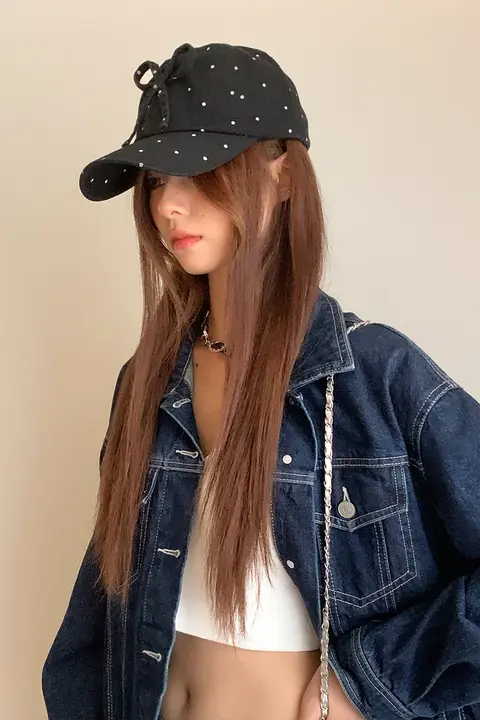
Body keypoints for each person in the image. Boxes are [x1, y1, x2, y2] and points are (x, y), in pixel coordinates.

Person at [42, 42, 480, 720]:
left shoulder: (373, 377)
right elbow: (103, 604)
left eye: (199, 171)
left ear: (283, 177)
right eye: (156, 179)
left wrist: (369, 686)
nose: (169, 205)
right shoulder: (149, 381)